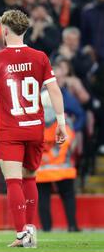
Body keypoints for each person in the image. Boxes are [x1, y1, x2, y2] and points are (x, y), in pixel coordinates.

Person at [0, 9, 67, 248]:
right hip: (35, 128)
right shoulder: (40, 57)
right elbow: (54, 90)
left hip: (10, 129)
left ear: (4, 30)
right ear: (23, 30)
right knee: (30, 179)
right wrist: (61, 123)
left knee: (13, 182)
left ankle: (21, 234)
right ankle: (31, 231)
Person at [37, 91, 79, 232]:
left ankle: (47, 228)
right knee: (68, 197)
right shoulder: (63, 119)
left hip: (41, 169)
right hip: (62, 168)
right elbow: (66, 141)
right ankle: (72, 226)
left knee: (43, 199)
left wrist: (43, 157)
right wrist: (52, 156)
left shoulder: (35, 119)